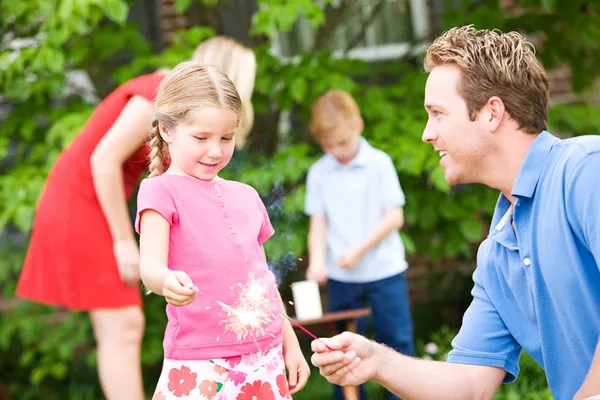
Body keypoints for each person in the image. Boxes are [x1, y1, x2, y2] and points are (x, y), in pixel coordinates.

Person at [310, 25, 600, 400]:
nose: (426, 134)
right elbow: (468, 384)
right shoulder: (499, 250)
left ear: (491, 113)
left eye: (438, 113)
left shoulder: (585, 172)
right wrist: (378, 361)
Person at [16, 36, 257, 400]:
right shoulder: (154, 100)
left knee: (126, 326)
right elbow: (102, 161)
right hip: (82, 205)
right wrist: (123, 242)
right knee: (123, 327)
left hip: (95, 204)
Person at [136, 61, 310, 400]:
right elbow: (150, 268)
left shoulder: (245, 196)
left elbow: (262, 281)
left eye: (226, 138)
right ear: (167, 130)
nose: (215, 151)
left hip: (265, 358)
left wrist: (290, 343)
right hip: (199, 363)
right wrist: (166, 281)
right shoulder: (159, 191)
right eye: (201, 137)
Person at [304, 89, 414, 400]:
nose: (336, 151)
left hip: (384, 271)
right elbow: (318, 224)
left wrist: (360, 250)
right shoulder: (319, 172)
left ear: (358, 126)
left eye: (342, 143)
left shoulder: (379, 164)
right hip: (343, 278)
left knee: (397, 343)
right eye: (327, 145)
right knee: (343, 351)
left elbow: (395, 217)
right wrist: (316, 262)